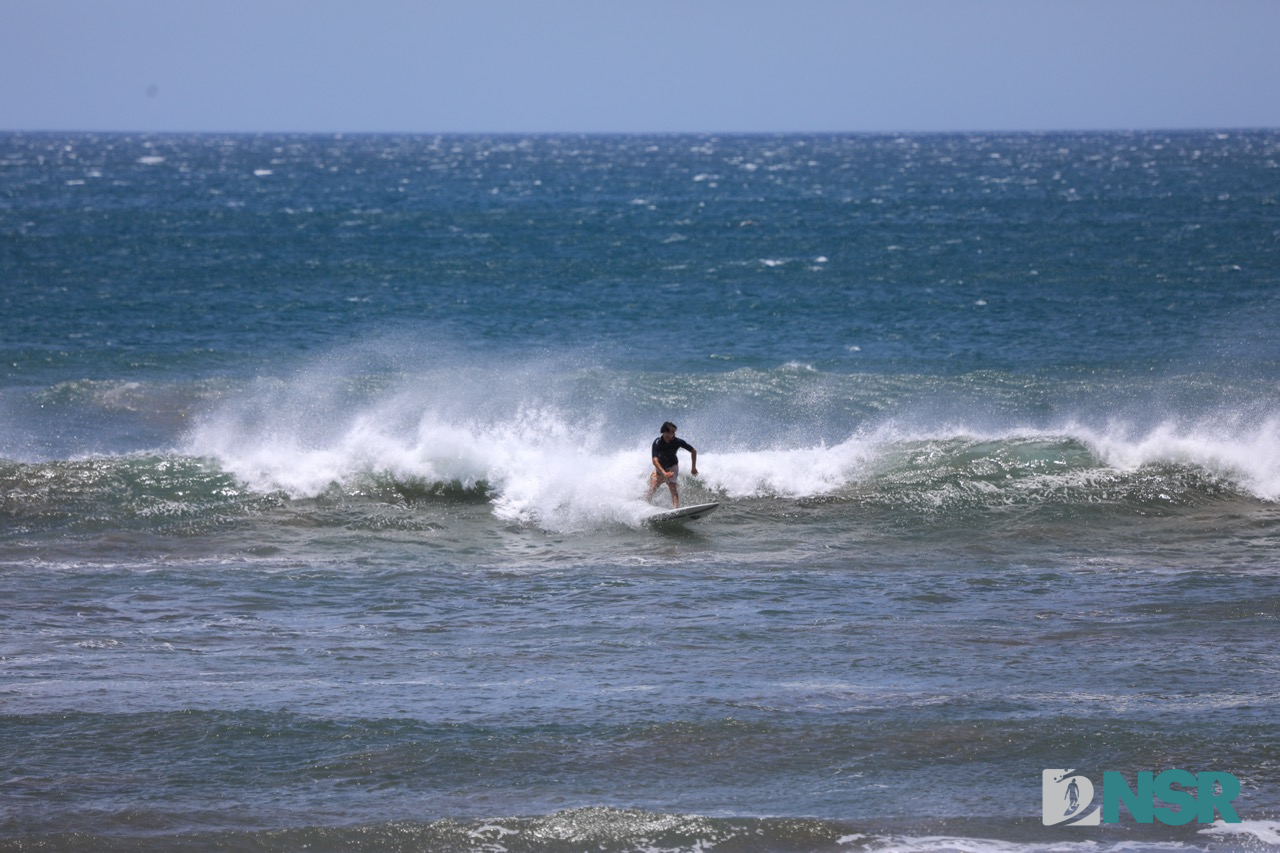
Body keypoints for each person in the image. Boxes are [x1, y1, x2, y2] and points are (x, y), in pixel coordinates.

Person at [647, 421, 698, 508]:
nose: (673, 434)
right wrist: (664, 473)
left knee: (672, 487)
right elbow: (655, 461)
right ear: (665, 432)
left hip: (672, 467)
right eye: (672, 432)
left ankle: (676, 509)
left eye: (674, 432)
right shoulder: (657, 442)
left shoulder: (677, 442)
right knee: (652, 489)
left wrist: (693, 468)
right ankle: (646, 506)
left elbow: (693, 450)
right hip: (660, 469)